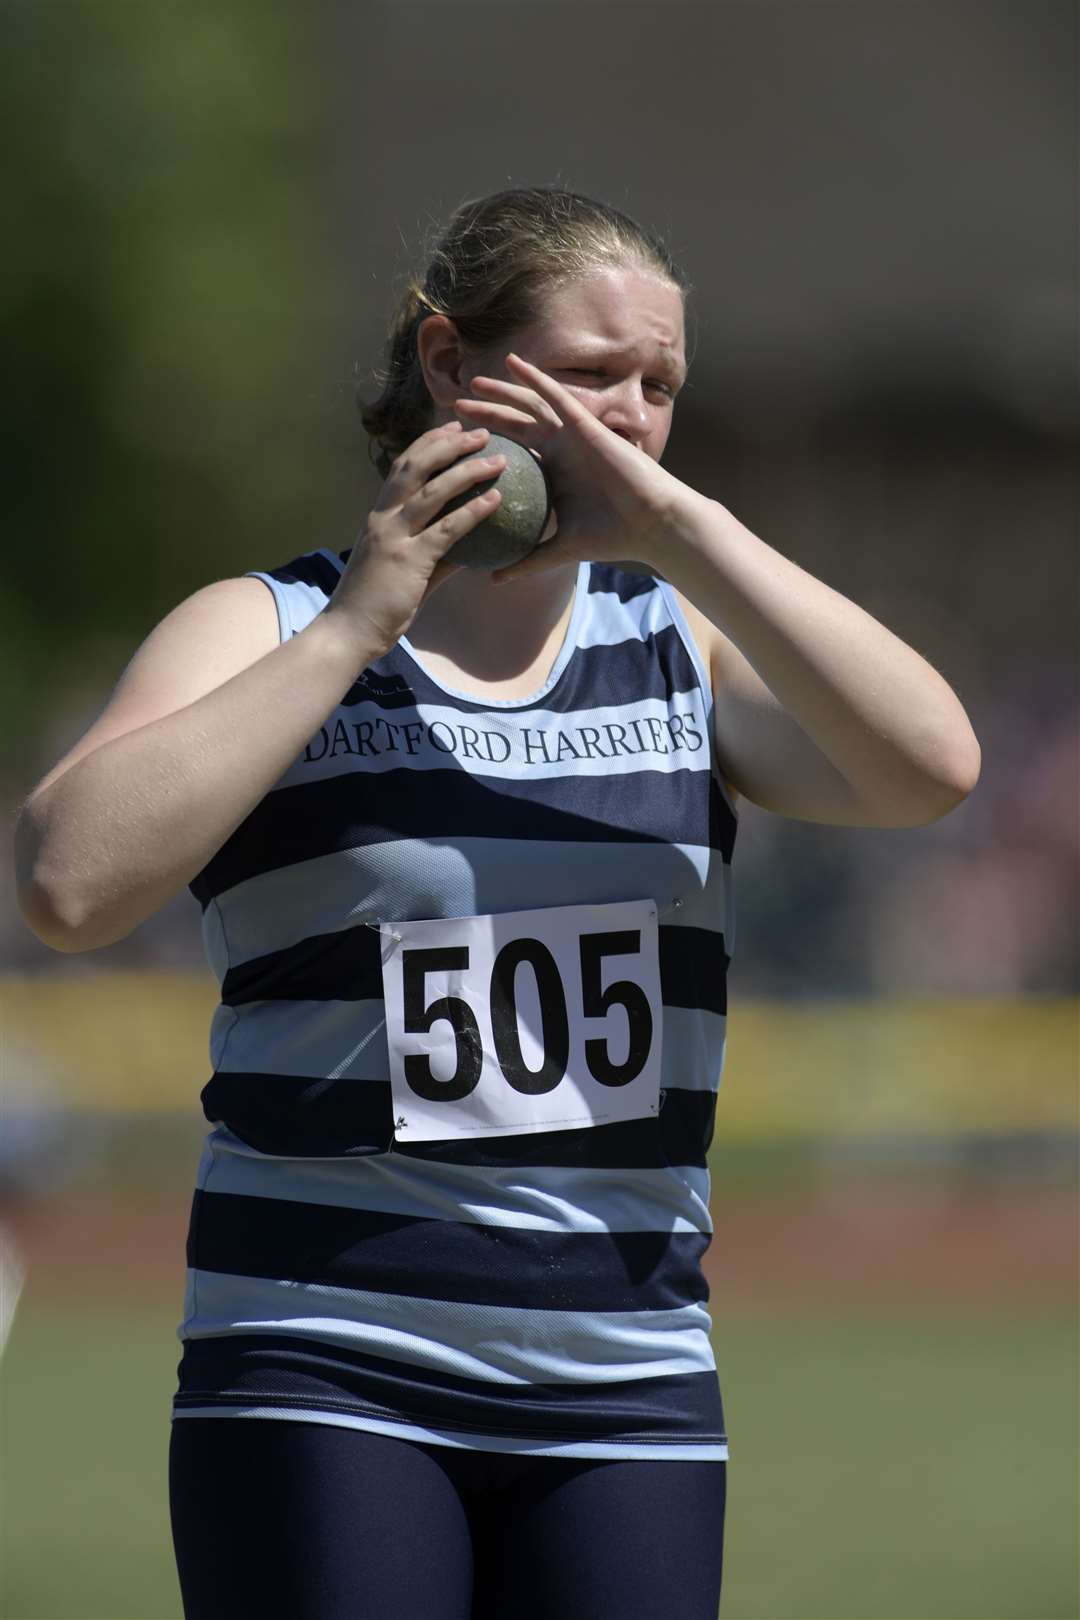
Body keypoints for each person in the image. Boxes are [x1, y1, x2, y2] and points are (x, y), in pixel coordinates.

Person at [15, 187, 980, 1620]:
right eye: (593, 375)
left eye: (659, 385)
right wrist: (363, 622)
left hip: (627, 1382)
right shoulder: (267, 627)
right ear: (456, 366)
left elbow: (931, 767)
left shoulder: (676, 650)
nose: (634, 417)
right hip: (325, 1364)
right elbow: (66, 884)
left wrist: (687, 533)